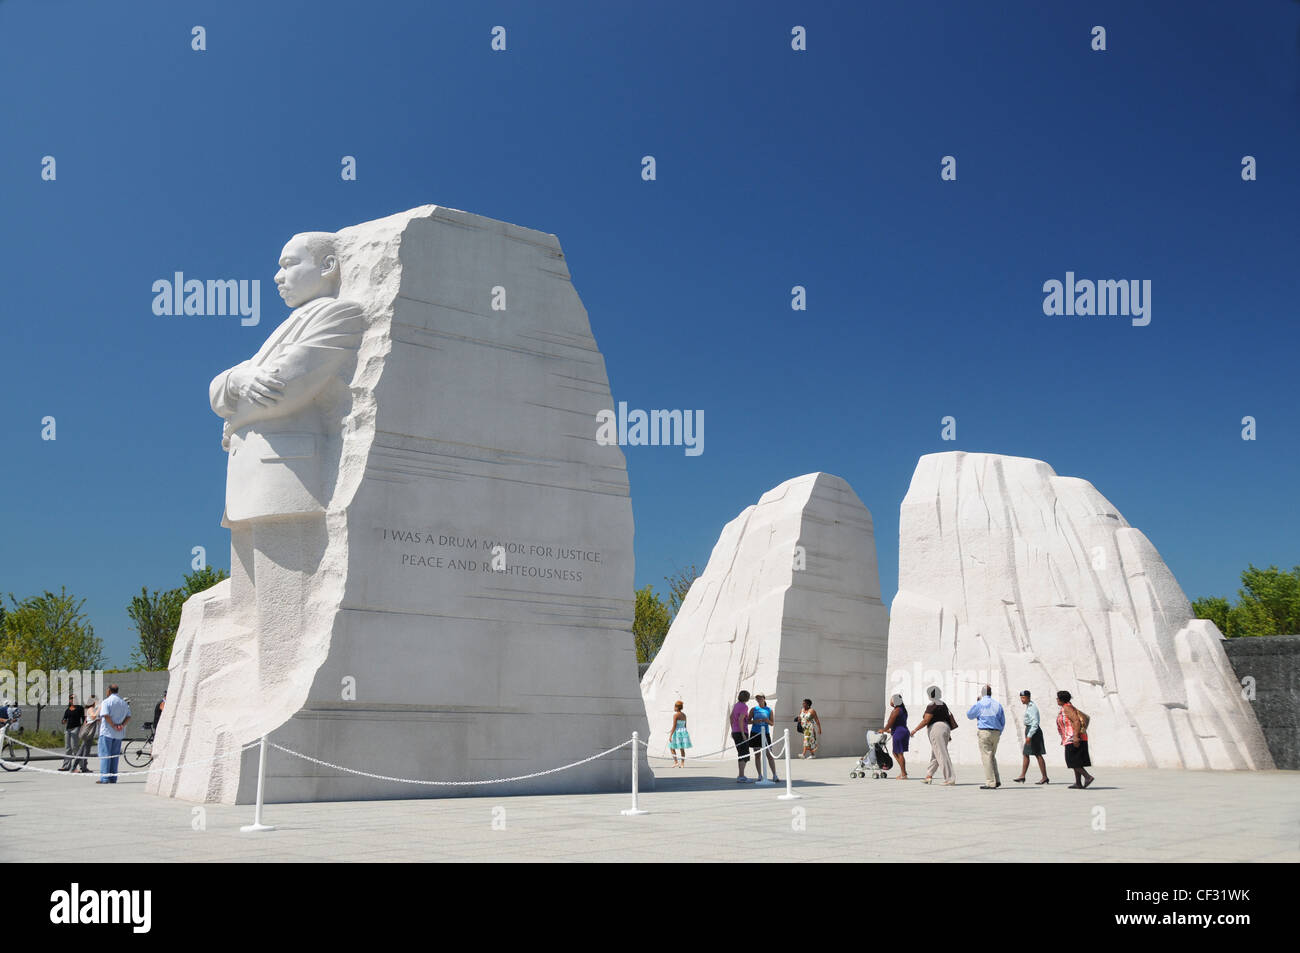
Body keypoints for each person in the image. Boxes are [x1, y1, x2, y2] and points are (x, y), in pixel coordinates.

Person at [911, 685, 956, 785]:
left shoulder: (932, 705)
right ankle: (929, 776)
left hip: (936, 729)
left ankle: (950, 779)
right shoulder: (943, 704)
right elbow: (947, 718)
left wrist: (915, 730)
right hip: (945, 728)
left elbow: (926, 720)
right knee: (935, 753)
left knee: (941, 753)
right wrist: (948, 735)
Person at [967, 685, 1005, 789]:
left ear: (982, 693)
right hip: (996, 733)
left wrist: (976, 703)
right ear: (991, 693)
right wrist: (999, 731)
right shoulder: (997, 704)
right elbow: (1003, 720)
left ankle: (990, 782)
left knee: (986, 757)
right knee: (991, 756)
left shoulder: (980, 704)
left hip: (984, 732)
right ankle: (997, 780)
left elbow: (969, 715)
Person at [1056, 690, 1095, 789]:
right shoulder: (1067, 707)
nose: (1056, 700)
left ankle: (1088, 777)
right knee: (1076, 761)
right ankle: (1078, 783)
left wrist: (1076, 737)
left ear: (1061, 699)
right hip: (1070, 737)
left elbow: (1076, 722)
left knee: (1072, 761)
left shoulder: (1067, 708)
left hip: (1073, 737)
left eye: (1057, 698)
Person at [96, 685, 131, 784]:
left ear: (109, 690)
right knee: (114, 756)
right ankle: (113, 777)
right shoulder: (123, 702)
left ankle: (105, 778)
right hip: (118, 733)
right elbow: (129, 716)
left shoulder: (107, 701)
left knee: (105, 755)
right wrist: (122, 725)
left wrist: (113, 725)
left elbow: (106, 715)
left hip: (107, 732)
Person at [1013, 689, 1049, 784]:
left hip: (1033, 732)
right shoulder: (1029, 706)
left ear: (1028, 697)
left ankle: (1044, 777)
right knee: (1026, 753)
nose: (1022, 699)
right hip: (1030, 730)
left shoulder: (1032, 707)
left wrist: (1029, 735)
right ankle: (1022, 776)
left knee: (1037, 754)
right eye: (1021, 697)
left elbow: (1035, 723)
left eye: (1024, 697)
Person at [749, 693, 780, 783]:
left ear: (764, 698)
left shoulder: (769, 710)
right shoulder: (754, 709)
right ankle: (759, 775)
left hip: (765, 734)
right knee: (757, 755)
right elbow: (747, 721)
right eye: (757, 698)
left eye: (760, 698)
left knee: (769, 755)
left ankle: (774, 775)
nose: (759, 699)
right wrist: (754, 721)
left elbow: (772, 723)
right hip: (755, 733)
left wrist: (767, 721)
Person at [882, 694, 910, 779]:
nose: (890, 701)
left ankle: (904, 774)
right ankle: (903, 772)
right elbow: (899, 723)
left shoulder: (896, 710)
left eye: (891, 700)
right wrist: (890, 730)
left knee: (899, 753)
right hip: (903, 731)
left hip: (899, 733)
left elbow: (890, 723)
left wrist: (883, 730)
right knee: (896, 753)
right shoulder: (903, 710)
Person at [729, 690, 754, 783]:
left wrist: (732, 729)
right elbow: (740, 720)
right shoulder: (744, 706)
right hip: (741, 732)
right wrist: (743, 734)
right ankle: (741, 776)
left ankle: (741, 775)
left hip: (735, 732)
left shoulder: (736, 705)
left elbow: (731, 717)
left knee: (741, 753)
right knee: (744, 753)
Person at [59, 693, 86, 771]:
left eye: (74, 698)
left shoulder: (80, 708)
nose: (72, 700)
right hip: (68, 730)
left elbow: (84, 719)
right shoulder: (68, 709)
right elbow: (64, 719)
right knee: (68, 748)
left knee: (75, 747)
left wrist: (83, 728)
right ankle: (66, 766)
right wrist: (63, 721)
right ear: (69, 700)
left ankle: (81, 766)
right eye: (71, 698)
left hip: (76, 728)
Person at [73, 695, 98, 773]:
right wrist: (99, 709)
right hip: (88, 734)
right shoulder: (90, 709)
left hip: (88, 734)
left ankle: (78, 767)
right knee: (84, 751)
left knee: (83, 751)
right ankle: (78, 767)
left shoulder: (91, 709)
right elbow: (93, 717)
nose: (98, 703)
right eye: (97, 701)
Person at [668, 700, 693, 767]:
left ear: (677, 707)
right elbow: (685, 725)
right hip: (683, 731)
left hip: (677, 732)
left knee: (671, 747)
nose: (674, 708)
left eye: (674, 706)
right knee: (682, 748)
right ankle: (682, 763)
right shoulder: (684, 715)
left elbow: (674, 726)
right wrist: (685, 733)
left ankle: (676, 762)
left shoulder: (675, 715)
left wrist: (670, 735)